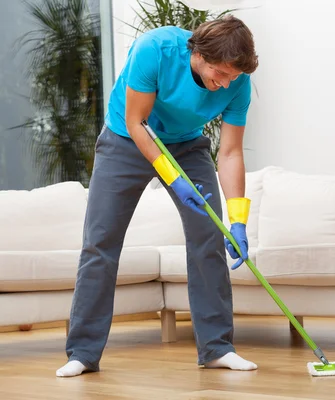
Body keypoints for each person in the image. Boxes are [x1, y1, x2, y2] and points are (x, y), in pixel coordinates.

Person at [56, 15, 259, 377]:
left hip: (186, 146)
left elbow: (230, 153)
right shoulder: (156, 49)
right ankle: (83, 353)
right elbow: (137, 123)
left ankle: (216, 347)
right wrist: (174, 180)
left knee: (208, 237)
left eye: (233, 76)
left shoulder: (237, 83)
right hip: (125, 140)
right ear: (198, 53)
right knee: (100, 242)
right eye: (221, 73)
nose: (226, 83)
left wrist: (239, 219)